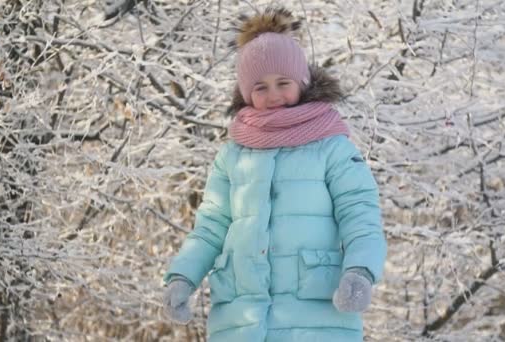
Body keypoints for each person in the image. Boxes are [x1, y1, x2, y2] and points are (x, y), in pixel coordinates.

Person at [161, 7, 387, 342]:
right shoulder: (233, 155)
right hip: (240, 320)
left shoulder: (332, 147)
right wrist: (182, 276)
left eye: (283, 83)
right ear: (245, 93)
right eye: (260, 87)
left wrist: (360, 271)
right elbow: (210, 228)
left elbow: (361, 215)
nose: (273, 96)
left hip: (315, 319)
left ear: (303, 82)